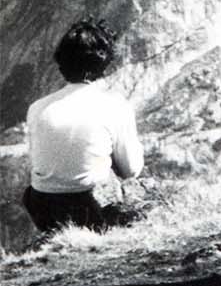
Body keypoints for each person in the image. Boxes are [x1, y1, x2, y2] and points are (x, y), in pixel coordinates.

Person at [22, 18, 145, 235]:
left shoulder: (37, 107)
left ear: (62, 62)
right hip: (90, 210)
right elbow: (131, 170)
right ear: (104, 63)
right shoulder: (115, 105)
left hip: (43, 209)